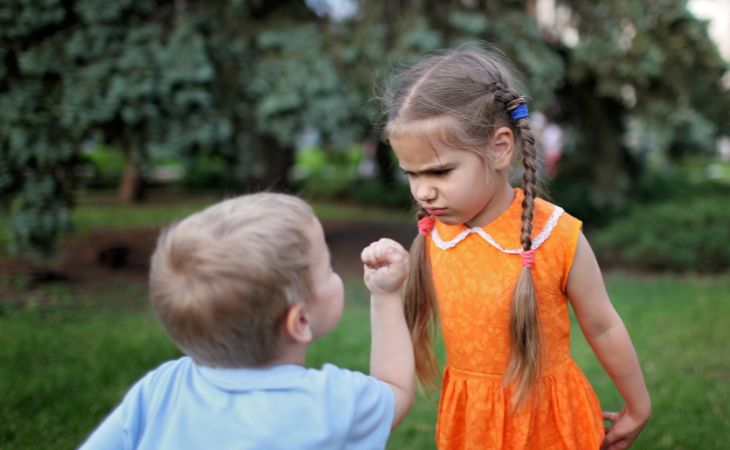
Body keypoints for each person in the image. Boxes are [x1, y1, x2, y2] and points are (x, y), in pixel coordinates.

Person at [382, 46, 651, 450]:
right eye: (411, 174)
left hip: (549, 423)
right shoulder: (434, 233)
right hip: (472, 424)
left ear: (500, 146)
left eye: (439, 171)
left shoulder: (554, 235)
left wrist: (638, 404)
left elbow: (603, 324)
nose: (423, 190)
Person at [78, 192, 414, 450]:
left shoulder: (161, 388)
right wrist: (385, 296)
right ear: (299, 321)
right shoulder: (332, 403)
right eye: (327, 268)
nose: (333, 272)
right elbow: (395, 388)